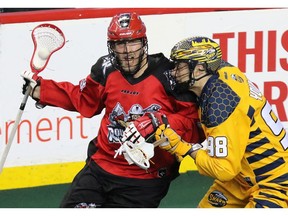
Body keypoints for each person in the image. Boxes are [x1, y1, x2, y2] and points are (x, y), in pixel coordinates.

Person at [21, 12, 202, 208]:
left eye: (133, 42)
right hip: (101, 168)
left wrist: (157, 121)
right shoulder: (106, 69)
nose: (127, 51)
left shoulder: (171, 76)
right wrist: (43, 90)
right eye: (119, 44)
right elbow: (84, 99)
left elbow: (194, 127)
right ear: (112, 46)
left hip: (145, 178)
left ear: (143, 42)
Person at [155, 36, 288, 208]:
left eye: (180, 65)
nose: (174, 72)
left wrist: (182, 148)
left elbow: (223, 169)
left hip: (274, 184)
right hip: (240, 180)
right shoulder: (221, 71)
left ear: (200, 68)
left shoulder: (219, 106)